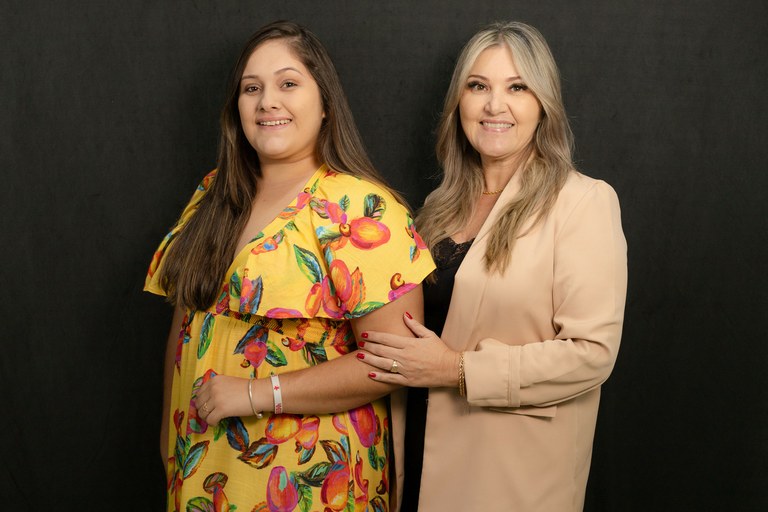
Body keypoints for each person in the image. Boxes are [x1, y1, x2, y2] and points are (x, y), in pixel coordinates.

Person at [144, 21, 435, 512]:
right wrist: (169, 442)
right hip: (202, 466)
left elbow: (393, 363)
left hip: (307, 478)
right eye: (251, 88)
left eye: (288, 83)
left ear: (325, 105)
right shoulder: (213, 195)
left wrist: (259, 393)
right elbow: (186, 323)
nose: (267, 102)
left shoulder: (362, 210)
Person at [358, 21, 627, 511]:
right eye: (478, 86)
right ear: (459, 102)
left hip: (509, 478)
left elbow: (591, 354)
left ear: (543, 104)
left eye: (517, 87)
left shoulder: (583, 202)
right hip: (420, 458)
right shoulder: (436, 211)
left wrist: (456, 369)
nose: (494, 105)